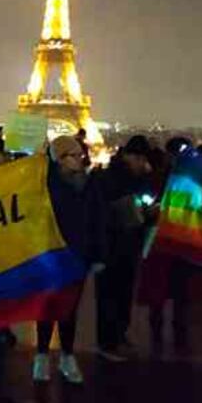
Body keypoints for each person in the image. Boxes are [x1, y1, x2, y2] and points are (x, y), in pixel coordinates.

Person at [34, 135, 105, 383]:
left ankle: (66, 355)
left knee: (69, 308)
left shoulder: (89, 184)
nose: (80, 159)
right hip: (52, 254)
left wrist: (97, 255)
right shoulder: (43, 186)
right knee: (47, 306)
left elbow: (97, 221)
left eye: (79, 155)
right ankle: (42, 355)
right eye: (74, 155)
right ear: (60, 160)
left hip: (77, 254)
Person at [93, 135, 158, 361]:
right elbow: (105, 214)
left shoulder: (129, 177)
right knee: (110, 296)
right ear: (133, 157)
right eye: (141, 160)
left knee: (122, 294)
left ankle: (118, 335)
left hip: (128, 245)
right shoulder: (111, 179)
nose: (143, 165)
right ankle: (108, 342)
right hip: (112, 247)